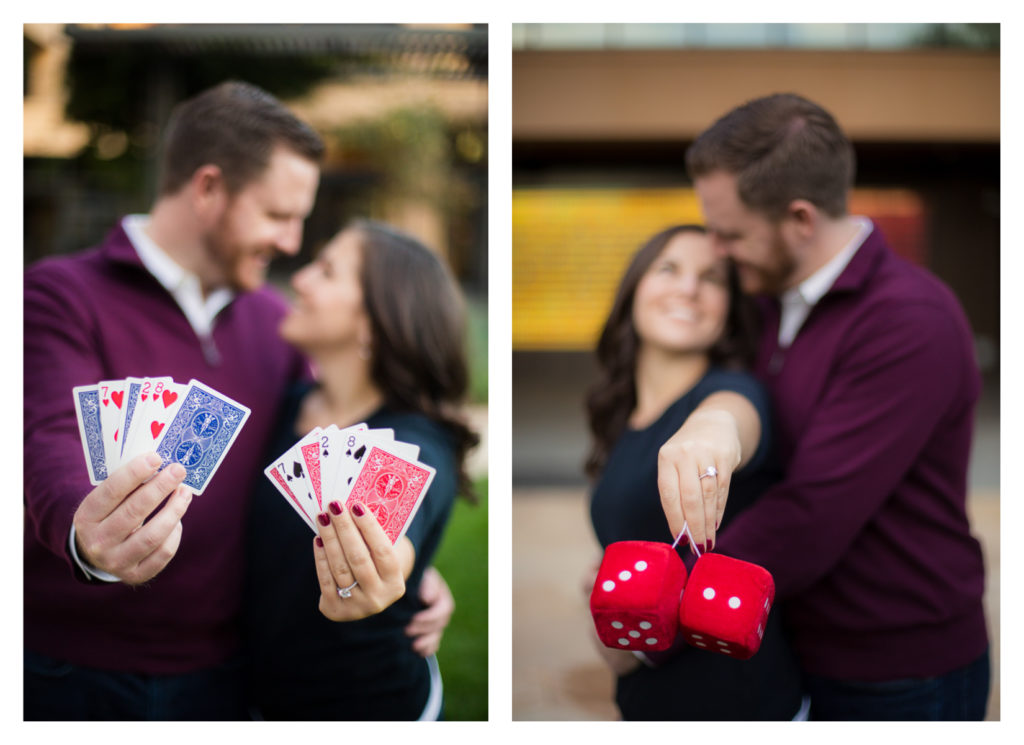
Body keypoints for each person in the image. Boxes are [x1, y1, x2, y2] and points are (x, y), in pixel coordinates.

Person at [23, 81, 451, 721]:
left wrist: (404, 571)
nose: (291, 243)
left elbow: (345, 456)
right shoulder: (59, 294)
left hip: (227, 679)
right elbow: (48, 439)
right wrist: (85, 533)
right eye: (279, 216)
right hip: (76, 669)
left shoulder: (273, 325)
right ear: (208, 189)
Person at [656, 93, 989, 720]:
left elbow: (809, 518)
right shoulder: (767, 295)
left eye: (730, 234)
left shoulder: (910, 322)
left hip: (899, 671)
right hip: (792, 641)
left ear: (801, 219)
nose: (717, 252)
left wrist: (661, 594)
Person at [243, 219, 478, 720]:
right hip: (253, 696)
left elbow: (395, 543)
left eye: (326, 272)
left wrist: (391, 573)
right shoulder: (283, 405)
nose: (300, 279)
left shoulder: (415, 444)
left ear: (373, 320)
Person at [584, 224, 804, 720]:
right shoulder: (622, 415)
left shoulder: (732, 390)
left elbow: (735, 417)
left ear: (728, 309)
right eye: (669, 269)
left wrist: (712, 431)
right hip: (648, 706)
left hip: (738, 707)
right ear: (634, 288)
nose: (688, 288)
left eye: (711, 278)